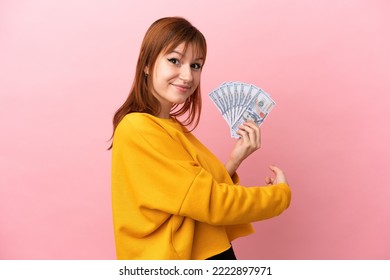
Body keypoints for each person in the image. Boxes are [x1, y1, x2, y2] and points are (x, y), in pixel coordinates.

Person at [109, 16, 291, 260]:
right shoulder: (139, 128)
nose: (187, 75)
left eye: (196, 65)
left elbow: (189, 198)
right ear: (148, 64)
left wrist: (234, 161)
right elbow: (212, 202)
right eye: (174, 60)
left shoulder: (170, 127)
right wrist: (279, 196)